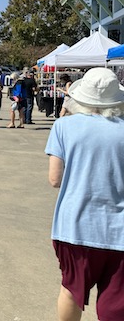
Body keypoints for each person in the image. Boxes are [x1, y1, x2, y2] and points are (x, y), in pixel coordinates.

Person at [44, 67, 124, 321]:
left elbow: (55, 179)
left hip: (74, 226)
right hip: (119, 230)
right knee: (117, 299)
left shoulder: (64, 126)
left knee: (71, 289)